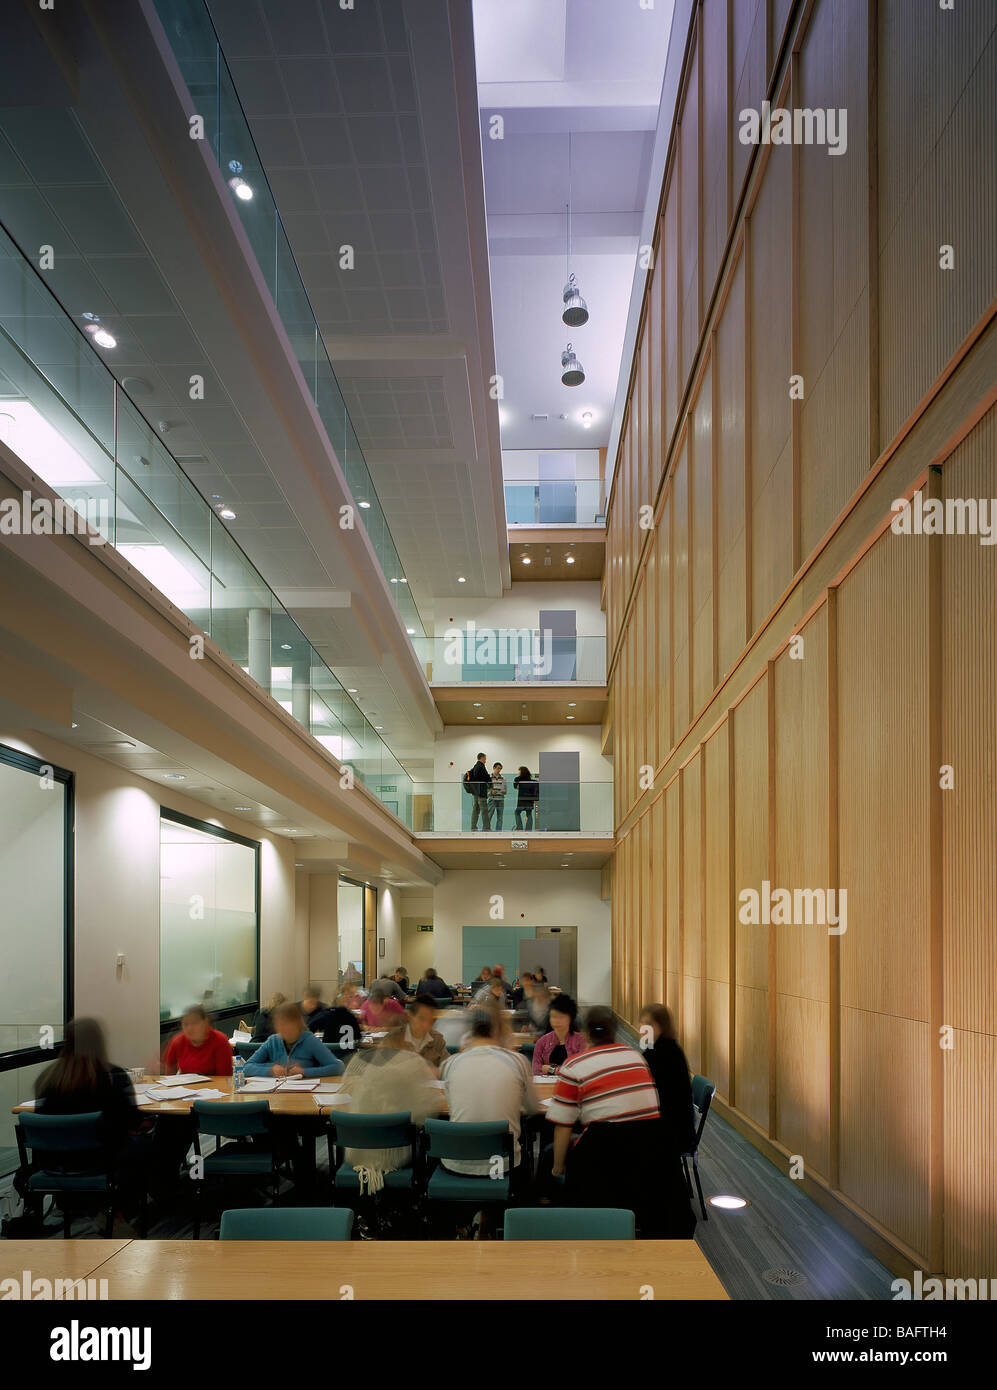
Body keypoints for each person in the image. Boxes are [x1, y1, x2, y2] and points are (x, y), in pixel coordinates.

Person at [544, 1006, 694, 1237]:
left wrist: (557, 1169)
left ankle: (555, 1227)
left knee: (549, 1155)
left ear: (584, 1033)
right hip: (647, 1168)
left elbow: (563, 1127)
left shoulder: (573, 1067)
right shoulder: (637, 1058)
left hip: (600, 1168)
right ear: (615, 1032)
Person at [340, 1028, 443, 1194]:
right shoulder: (412, 1064)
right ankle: (420, 1193)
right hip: (397, 1157)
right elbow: (426, 1113)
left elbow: (342, 1102)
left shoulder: (358, 1062)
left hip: (357, 1152)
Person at [441, 1008, 541, 1178]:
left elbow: (452, 1105)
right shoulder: (517, 1061)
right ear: (497, 1030)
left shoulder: (451, 1064)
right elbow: (532, 1107)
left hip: (456, 1162)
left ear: (469, 1032)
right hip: (503, 1163)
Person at [35, 1017, 140, 1152]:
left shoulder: (47, 1078)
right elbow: (132, 1121)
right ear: (99, 1043)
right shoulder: (113, 1076)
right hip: (103, 1159)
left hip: (56, 1161)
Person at [639, 1003, 697, 1157]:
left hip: (673, 1131)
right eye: (643, 1023)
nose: (644, 1028)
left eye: (649, 1024)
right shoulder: (664, 1048)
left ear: (662, 1026)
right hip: (676, 1124)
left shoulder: (663, 1054)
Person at [244, 1003, 344, 1077]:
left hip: (305, 1093)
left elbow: (338, 1067)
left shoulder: (310, 1040)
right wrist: (271, 1069)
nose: (281, 1028)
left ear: (296, 1023)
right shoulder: (273, 1041)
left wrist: (305, 1072)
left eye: (285, 1024)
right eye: (278, 1024)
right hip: (277, 1095)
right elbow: (247, 1067)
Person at [162, 1005, 233, 1076]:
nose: (189, 1028)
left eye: (194, 1023)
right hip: (186, 1085)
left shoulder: (220, 1041)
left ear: (206, 1022)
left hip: (214, 1086)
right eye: (185, 1024)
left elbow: (225, 1078)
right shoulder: (178, 1041)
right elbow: (169, 1075)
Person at [532, 994, 586, 1075]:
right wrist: (563, 1071)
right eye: (554, 1017)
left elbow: (580, 1069)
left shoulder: (581, 1040)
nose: (557, 1021)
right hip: (545, 1084)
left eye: (561, 1017)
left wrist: (551, 1070)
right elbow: (535, 1069)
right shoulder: (542, 1041)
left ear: (570, 1018)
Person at [403, 994, 448, 1069]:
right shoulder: (395, 1038)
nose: (426, 1025)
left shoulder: (437, 1039)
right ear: (410, 1016)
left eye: (431, 1021)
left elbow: (446, 1066)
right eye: (422, 1018)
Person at [465, 752, 493, 830]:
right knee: (484, 811)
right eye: (485, 758)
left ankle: (473, 827)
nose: (485, 760)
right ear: (482, 758)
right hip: (481, 792)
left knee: (476, 810)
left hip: (476, 792)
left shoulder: (476, 767)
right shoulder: (480, 766)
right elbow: (485, 778)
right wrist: (489, 781)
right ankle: (486, 828)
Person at [513, 766, 539, 830]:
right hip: (530, 800)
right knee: (529, 814)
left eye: (519, 771)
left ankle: (519, 827)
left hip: (522, 800)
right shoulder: (531, 781)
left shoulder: (519, 779)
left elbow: (515, 786)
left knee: (517, 812)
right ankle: (528, 829)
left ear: (521, 772)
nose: (518, 773)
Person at [488, 762, 507, 830]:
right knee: (489, 815)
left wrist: (503, 791)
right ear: (494, 768)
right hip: (492, 799)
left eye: (500, 769)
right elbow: (486, 789)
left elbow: (505, 790)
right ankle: (486, 830)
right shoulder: (489, 778)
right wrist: (491, 791)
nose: (499, 770)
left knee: (500, 817)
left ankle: (498, 831)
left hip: (501, 799)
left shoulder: (503, 778)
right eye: (498, 768)